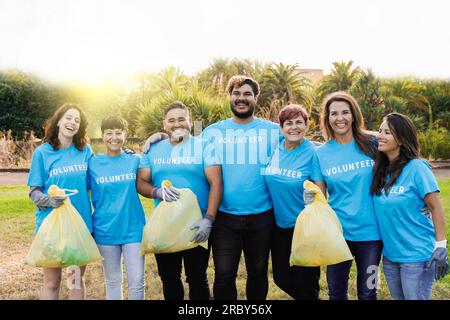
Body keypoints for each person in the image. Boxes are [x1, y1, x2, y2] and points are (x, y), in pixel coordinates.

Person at [203, 75, 280, 300]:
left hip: (262, 216)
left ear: (256, 98)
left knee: (257, 273)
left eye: (247, 94)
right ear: (230, 97)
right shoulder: (212, 132)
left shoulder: (273, 131)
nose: (241, 98)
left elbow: (304, 143)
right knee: (224, 274)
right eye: (236, 94)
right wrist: (156, 138)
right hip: (224, 217)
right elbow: (184, 146)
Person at [137, 101, 222, 300]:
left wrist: (208, 219)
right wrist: (156, 192)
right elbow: (141, 181)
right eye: (172, 120)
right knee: (169, 277)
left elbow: (216, 183)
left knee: (197, 278)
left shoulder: (205, 146)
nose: (177, 124)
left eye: (182, 119)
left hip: (196, 224)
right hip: (165, 225)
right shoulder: (153, 149)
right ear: (165, 124)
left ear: (190, 121)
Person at [309, 91, 382, 300]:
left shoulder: (373, 143)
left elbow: (400, 163)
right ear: (327, 118)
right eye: (334, 114)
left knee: (369, 291)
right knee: (336, 292)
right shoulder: (320, 153)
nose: (339, 118)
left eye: (345, 112)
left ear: (354, 115)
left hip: (372, 235)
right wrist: (311, 197)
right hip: (337, 234)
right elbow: (320, 196)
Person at [371, 112, 448, 300]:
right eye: (380, 131)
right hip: (390, 256)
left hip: (416, 255)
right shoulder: (382, 170)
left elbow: (436, 207)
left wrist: (441, 246)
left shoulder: (417, 168)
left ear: (401, 139)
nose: (380, 135)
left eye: (387, 132)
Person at [27, 103, 93, 300]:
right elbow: (34, 192)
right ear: (58, 121)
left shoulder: (85, 151)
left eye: (77, 120)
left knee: (75, 282)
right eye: (68, 117)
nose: (72, 122)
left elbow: (99, 178)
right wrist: (49, 200)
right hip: (51, 227)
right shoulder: (42, 153)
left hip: (79, 226)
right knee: (52, 282)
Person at [264, 104, 320, 300]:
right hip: (279, 227)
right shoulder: (275, 146)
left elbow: (322, 187)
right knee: (281, 278)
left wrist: (315, 195)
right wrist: (162, 137)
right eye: (289, 123)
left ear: (306, 126)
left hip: (304, 228)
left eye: (299, 122)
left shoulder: (313, 152)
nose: (294, 127)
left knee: (306, 282)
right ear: (281, 127)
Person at [88, 116, 146, 300]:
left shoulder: (134, 160)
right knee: (113, 282)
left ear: (125, 134)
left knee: (136, 283)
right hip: (105, 231)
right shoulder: (92, 162)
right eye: (109, 133)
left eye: (118, 132)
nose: (114, 137)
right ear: (102, 136)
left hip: (133, 230)